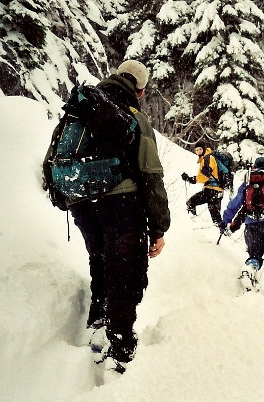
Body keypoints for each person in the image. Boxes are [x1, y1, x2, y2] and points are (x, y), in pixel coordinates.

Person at [67, 60, 170, 372]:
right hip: (122, 205)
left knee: (100, 258)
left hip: (84, 203)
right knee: (125, 273)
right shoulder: (134, 117)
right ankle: (121, 347)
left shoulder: (85, 108)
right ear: (139, 91)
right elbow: (151, 175)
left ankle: (97, 319)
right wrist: (159, 228)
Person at [219, 157, 264, 296]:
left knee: (254, 255)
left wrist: (225, 220)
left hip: (251, 224)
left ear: (254, 166)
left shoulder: (248, 183)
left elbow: (235, 204)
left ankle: (249, 270)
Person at [180, 142, 224, 224]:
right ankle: (222, 231)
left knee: (191, 203)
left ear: (204, 149)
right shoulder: (206, 158)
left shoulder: (207, 159)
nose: (199, 151)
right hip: (218, 190)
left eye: (200, 149)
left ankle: (192, 223)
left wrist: (191, 179)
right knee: (215, 215)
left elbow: (205, 176)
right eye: (197, 150)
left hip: (211, 190)